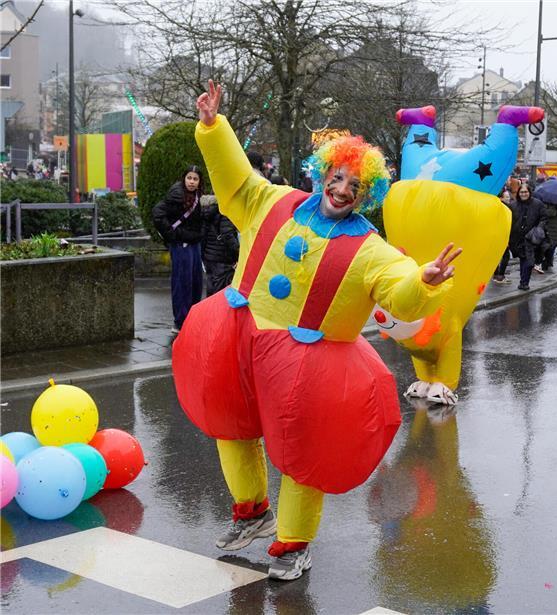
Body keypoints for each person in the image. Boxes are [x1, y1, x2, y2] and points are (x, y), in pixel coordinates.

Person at [173, 80, 460, 581]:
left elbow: (398, 287)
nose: (342, 188)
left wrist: (424, 280)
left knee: (302, 455)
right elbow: (235, 179)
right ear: (323, 173)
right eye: (338, 175)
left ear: (365, 193)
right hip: (239, 335)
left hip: (308, 362)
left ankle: (292, 544)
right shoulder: (275, 202)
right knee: (231, 429)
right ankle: (252, 512)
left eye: (355, 184)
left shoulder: (370, 248)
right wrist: (213, 128)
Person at [152, 165, 205, 332]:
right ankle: (180, 321)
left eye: (195, 179)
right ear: (184, 178)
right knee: (182, 283)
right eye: (189, 178)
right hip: (181, 245)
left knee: (196, 282)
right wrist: (174, 235)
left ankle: (192, 318)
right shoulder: (176, 195)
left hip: (194, 244)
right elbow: (157, 213)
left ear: (199, 182)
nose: (191, 181)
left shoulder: (199, 196)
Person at [499, 183, 546, 291]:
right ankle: (523, 281)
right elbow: (508, 219)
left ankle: (524, 282)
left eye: (525, 192)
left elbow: (544, 218)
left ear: (529, 192)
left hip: (531, 237)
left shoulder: (538, 204)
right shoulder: (513, 205)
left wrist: (539, 229)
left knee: (529, 261)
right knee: (523, 259)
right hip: (517, 238)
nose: (523, 194)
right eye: (521, 192)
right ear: (518, 193)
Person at [200, 194, 239, 296]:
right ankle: (216, 311)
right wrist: (238, 253)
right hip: (223, 256)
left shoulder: (203, 213)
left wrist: (203, 254)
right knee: (221, 290)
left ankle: (209, 310)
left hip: (209, 256)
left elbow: (202, 236)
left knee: (211, 285)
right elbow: (228, 235)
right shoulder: (225, 213)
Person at [493, 188, 514, 284]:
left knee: (496, 256)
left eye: (509, 197)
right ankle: (500, 276)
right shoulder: (506, 208)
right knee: (505, 256)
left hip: (496, 236)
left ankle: (496, 275)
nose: (508, 199)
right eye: (507, 197)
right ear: (501, 198)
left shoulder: (495, 206)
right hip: (501, 236)